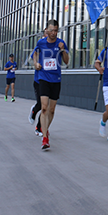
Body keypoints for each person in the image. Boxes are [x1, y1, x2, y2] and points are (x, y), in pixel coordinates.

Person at [33, 19, 69, 150]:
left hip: (56, 79)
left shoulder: (61, 43)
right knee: (44, 108)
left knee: (52, 110)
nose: (53, 33)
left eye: (56, 30)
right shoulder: (41, 42)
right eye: (51, 30)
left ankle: (46, 129)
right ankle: (44, 138)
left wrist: (63, 50)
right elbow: (35, 53)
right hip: (43, 78)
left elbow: (66, 61)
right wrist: (36, 63)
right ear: (47, 30)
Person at [29, 29, 47, 137]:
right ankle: (34, 111)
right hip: (39, 80)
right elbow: (33, 56)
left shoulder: (55, 46)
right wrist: (36, 64)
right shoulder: (40, 45)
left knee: (47, 107)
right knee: (41, 105)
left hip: (50, 81)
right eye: (47, 32)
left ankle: (39, 127)